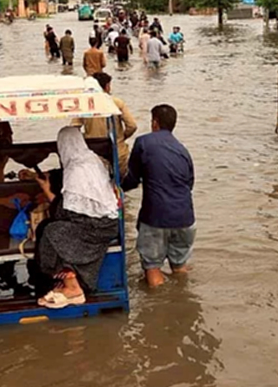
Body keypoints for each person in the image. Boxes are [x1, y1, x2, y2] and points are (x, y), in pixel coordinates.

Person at [32, 127, 121, 308]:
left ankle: (71, 287)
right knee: (58, 229)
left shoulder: (75, 171)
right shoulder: (95, 161)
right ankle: (70, 282)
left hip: (94, 229)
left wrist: (47, 191)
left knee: (50, 231)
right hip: (109, 224)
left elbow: (64, 213)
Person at [122, 105, 195, 288]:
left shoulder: (143, 143)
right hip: (185, 218)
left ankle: (158, 309)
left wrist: (115, 185)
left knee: (152, 267)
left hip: (156, 218)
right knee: (179, 267)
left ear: (155, 122)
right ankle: (180, 299)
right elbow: (189, 184)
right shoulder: (182, 150)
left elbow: (132, 178)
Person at [73, 72, 137, 176]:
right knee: (118, 185)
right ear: (107, 86)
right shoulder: (116, 102)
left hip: (94, 155)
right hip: (118, 153)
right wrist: (121, 138)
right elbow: (132, 125)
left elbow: (74, 127)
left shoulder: (85, 104)